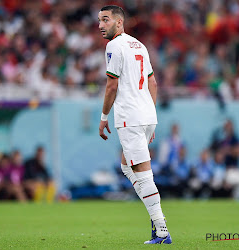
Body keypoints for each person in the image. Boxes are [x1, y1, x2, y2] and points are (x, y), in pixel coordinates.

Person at [98, 5, 171, 244]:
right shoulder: (139, 45)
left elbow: (111, 86)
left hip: (130, 118)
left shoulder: (114, 46)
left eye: (106, 20)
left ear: (119, 22)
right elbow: (154, 84)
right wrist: (150, 115)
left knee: (143, 173)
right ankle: (155, 216)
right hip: (146, 115)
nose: (101, 25)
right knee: (128, 168)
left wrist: (103, 117)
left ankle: (161, 228)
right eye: (99, 20)